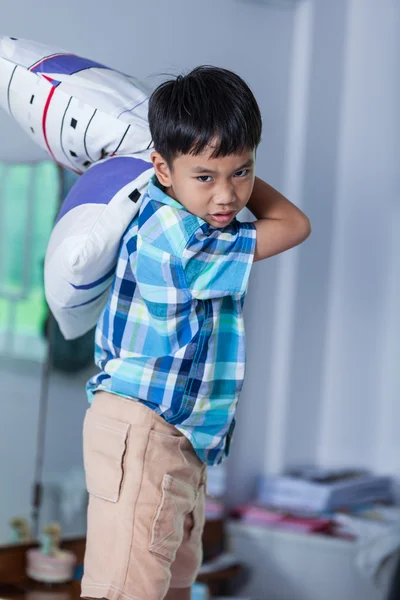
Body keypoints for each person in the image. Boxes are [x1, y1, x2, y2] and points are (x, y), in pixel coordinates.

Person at [81, 66, 311, 600]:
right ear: (161, 167)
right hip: (145, 430)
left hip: (178, 437)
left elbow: (227, 191)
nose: (227, 196)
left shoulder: (196, 219)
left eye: (242, 173)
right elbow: (295, 225)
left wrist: (214, 160)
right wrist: (233, 157)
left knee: (170, 587)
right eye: (205, 176)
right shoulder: (181, 237)